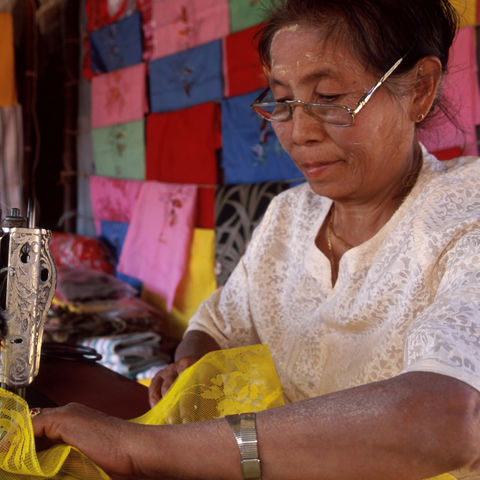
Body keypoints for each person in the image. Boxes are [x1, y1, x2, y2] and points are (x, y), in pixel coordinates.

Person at [32, 0, 480, 478]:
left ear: (420, 89)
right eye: (282, 102)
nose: (299, 133)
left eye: (328, 97)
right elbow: (220, 326)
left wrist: (139, 447)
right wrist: (193, 365)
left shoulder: (464, 212)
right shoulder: (290, 215)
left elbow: (451, 419)